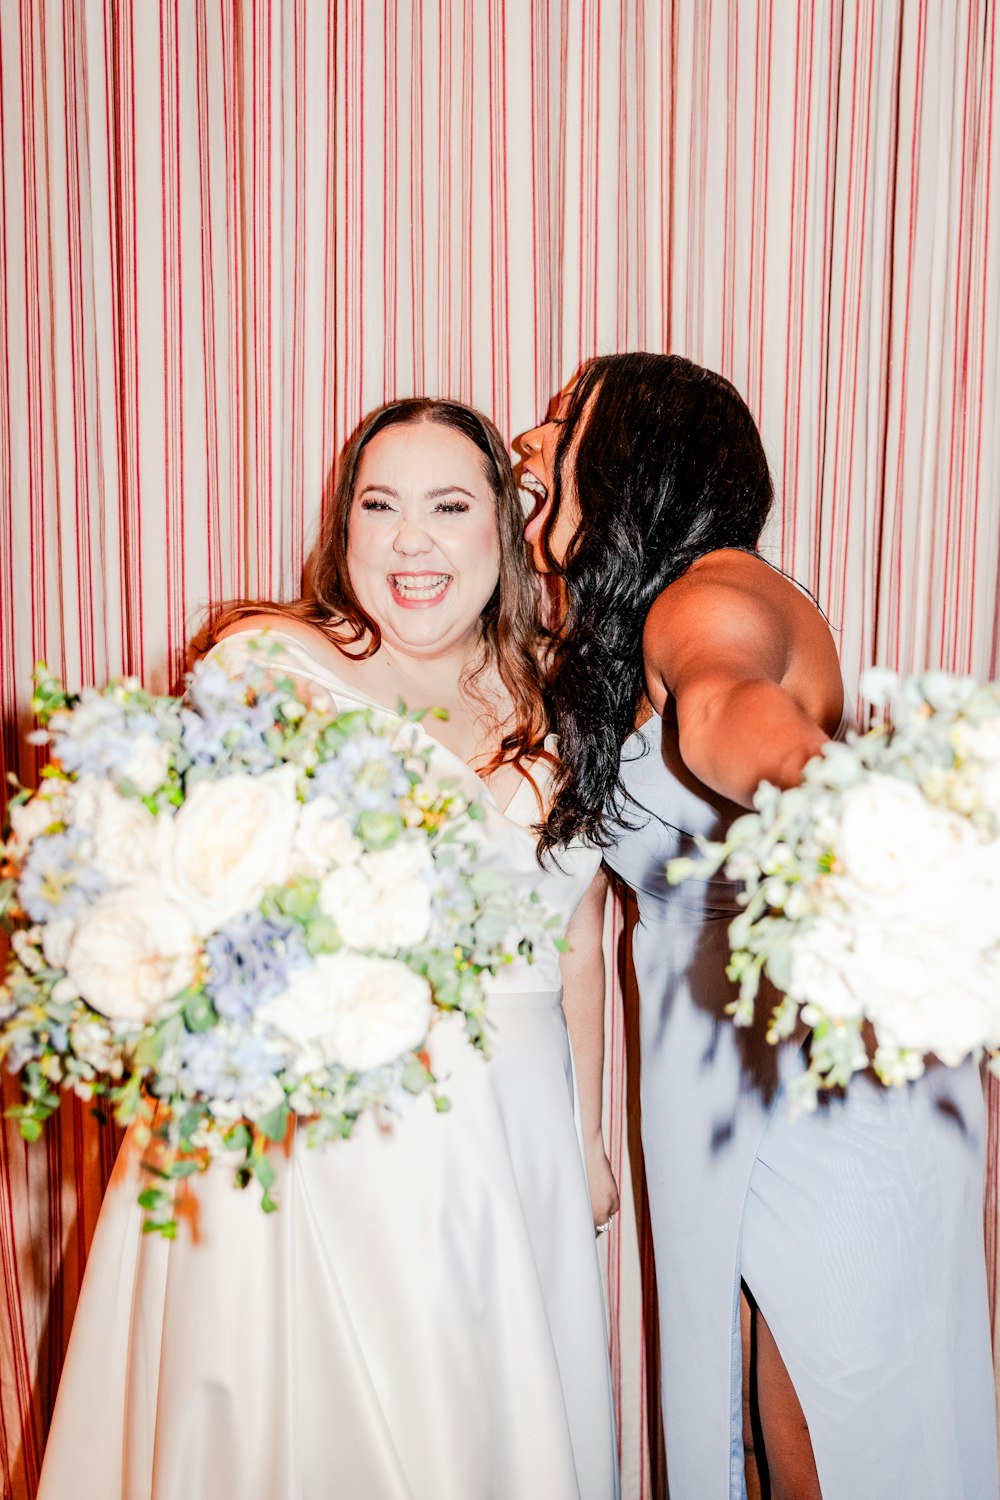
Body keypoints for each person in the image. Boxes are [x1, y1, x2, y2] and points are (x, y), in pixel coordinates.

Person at [38, 398, 620, 1500]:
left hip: (520, 1122)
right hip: (342, 1133)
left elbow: (579, 939)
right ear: (341, 529)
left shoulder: (561, 697)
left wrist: (589, 1141)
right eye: (379, 505)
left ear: (500, 526)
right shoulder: (274, 664)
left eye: (449, 506)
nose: (412, 541)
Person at [516, 353, 998, 1500]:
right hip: (742, 1055)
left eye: (562, 418)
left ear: (630, 452)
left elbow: (738, 714)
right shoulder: (661, 608)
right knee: (797, 1395)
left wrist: (842, 803)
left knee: (842, 1411)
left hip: (807, 1071)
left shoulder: (707, 603)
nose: (534, 438)